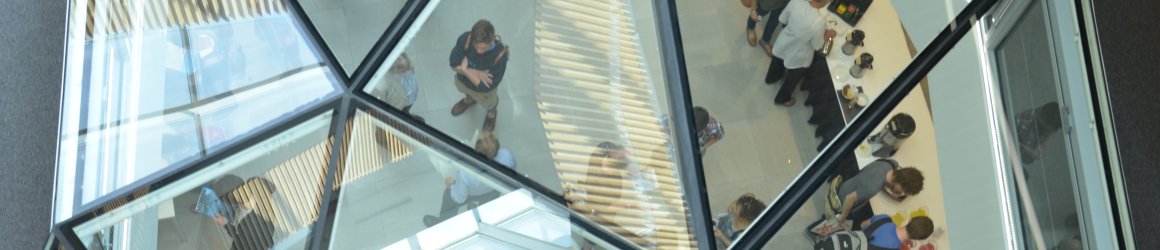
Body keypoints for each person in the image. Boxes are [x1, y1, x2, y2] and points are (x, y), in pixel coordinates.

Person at [423, 132, 516, 227]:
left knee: (448, 195)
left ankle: (443, 225)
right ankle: (480, 214)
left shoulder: (465, 173)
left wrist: (452, 184)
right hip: (493, 190)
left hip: (474, 193)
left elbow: (459, 198)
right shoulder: (508, 156)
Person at [765, 0, 835, 107]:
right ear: (826, 2)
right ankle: (782, 98)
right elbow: (817, 45)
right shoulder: (819, 21)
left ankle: (771, 78)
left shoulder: (795, 1)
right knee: (792, 79)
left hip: (783, 42)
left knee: (776, 61)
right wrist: (828, 35)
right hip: (799, 55)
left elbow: (782, 19)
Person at [448, 19, 510, 131]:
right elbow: (453, 63)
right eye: (476, 46)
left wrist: (465, 70)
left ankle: (491, 112)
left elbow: (486, 87)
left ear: (492, 40)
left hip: (484, 93)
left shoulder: (500, 56)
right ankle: (469, 100)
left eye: (483, 48)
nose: (479, 51)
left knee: (489, 103)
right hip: (464, 82)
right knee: (466, 91)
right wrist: (476, 73)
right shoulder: (465, 39)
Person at [832, 160, 924, 225]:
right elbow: (849, 199)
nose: (901, 193)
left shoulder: (892, 164)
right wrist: (842, 217)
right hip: (841, 199)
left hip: (849, 183)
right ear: (900, 184)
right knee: (832, 221)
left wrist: (893, 190)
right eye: (903, 191)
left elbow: (880, 179)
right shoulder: (873, 187)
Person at [372, 53, 423, 121]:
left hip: (403, 102)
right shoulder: (384, 82)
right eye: (403, 70)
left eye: (407, 70)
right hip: (396, 105)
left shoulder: (407, 70)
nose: (407, 72)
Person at [859, 215, 934, 249]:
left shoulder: (885, 218)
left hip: (850, 239)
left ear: (910, 220)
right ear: (917, 239)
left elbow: (862, 224)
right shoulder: (894, 248)